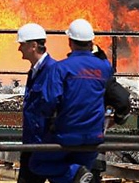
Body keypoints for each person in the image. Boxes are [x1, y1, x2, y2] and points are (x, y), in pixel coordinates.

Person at [29, 19, 113, 183]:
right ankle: (78, 174)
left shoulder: (61, 68)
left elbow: (49, 101)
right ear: (91, 41)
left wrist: (48, 121)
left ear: (70, 42)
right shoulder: (104, 67)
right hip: (95, 135)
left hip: (67, 134)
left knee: (36, 163)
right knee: (81, 174)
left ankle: (74, 173)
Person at [16, 23, 56, 183]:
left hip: (46, 145)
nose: (19, 49)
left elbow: (53, 105)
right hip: (32, 143)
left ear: (33, 46)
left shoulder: (53, 70)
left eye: (22, 44)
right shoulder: (34, 71)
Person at [90, 45, 131, 183]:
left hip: (66, 148)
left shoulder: (64, 69)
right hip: (92, 149)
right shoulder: (102, 75)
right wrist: (118, 119)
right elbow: (123, 101)